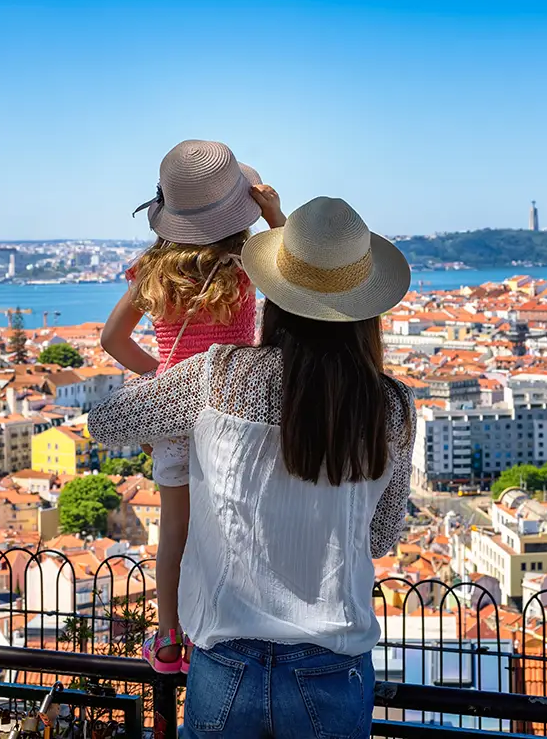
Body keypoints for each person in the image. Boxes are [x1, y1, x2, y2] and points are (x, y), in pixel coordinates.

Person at [89, 196, 415, 737]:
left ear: (275, 300)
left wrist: (182, 434)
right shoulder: (392, 407)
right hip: (332, 664)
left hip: (225, 661)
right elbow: (380, 537)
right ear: (366, 309)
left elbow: (108, 423)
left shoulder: (217, 376)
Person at [99, 139, 286, 674]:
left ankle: (167, 638)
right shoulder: (246, 265)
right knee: (235, 521)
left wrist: (163, 377)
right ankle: (232, 624)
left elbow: (113, 339)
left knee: (174, 530)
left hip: (174, 413)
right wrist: (276, 217)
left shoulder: (153, 272)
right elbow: (302, 277)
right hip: (233, 408)